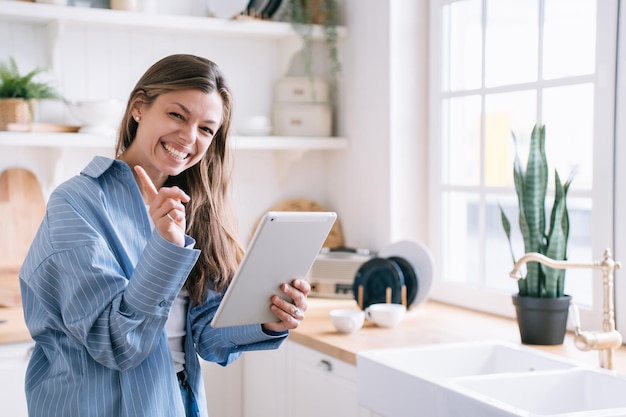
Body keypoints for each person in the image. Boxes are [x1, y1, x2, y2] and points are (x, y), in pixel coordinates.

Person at [19, 54, 310, 417]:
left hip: (175, 402)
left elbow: (206, 336)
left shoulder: (195, 208)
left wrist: (266, 321)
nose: (189, 137)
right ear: (139, 107)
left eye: (206, 129)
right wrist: (166, 248)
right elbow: (113, 343)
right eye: (177, 115)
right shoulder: (76, 203)